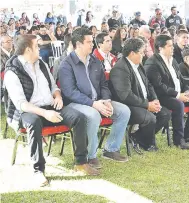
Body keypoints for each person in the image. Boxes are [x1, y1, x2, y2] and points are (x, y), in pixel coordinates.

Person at [3, 35, 99, 187]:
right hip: (28, 111)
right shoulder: (12, 71)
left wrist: (58, 96)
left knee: (79, 117)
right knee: (33, 122)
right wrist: (45, 113)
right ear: (28, 49)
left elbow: (54, 87)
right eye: (37, 46)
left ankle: (81, 162)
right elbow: (21, 104)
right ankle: (38, 171)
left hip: (49, 107)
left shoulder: (42, 64)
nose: (40, 48)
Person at [59, 28, 131, 168]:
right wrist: (93, 104)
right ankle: (90, 156)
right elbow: (69, 92)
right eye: (89, 42)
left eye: (92, 41)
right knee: (93, 115)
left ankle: (110, 149)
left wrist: (107, 100)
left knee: (124, 111)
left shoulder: (95, 60)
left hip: (98, 100)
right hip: (75, 103)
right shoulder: (66, 64)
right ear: (78, 44)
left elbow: (104, 84)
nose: (92, 44)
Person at [145, 35, 189, 149]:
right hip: (162, 96)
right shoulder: (152, 62)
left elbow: (181, 79)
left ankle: (188, 135)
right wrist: (178, 95)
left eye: (172, 45)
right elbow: (159, 85)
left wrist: (187, 90)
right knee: (178, 104)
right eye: (169, 46)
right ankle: (179, 140)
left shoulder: (173, 61)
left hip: (177, 93)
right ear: (160, 48)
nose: (173, 48)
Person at [110, 38, 171, 150]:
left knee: (165, 114)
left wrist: (155, 100)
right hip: (128, 105)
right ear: (132, 53)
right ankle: (146, 143)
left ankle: (137, 137)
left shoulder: (138, 64)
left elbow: (148, 85)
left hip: (143, 102)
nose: (143, 55)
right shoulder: (120, 69)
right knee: (150, 118)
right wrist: (147, 105)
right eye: (141, 52)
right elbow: (126, 96)